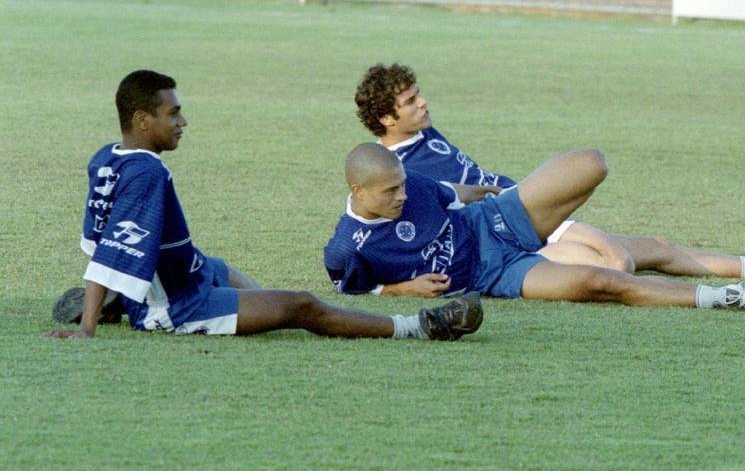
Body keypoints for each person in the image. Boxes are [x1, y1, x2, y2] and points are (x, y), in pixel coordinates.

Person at [48, 70, 482, 341]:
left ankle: (124, 304)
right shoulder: (148, 173)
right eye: (173, 113)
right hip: (175, 309)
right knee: (301, 306)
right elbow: (112, 253)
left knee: (218, 267)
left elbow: (96, 239)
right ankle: (417, 327)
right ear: (144, 121)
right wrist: (85, 328)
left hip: (186, 279)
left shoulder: (108, 158)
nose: (182, 122)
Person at [351, 62, 745, 291]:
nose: (424, 104)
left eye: (419, 95)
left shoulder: (420, 135)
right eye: (411, 102)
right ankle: (729, 293)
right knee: (617, 259)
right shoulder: (400, 174)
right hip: (510, 230)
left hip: (522, 215)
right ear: (388, 121)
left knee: (656, 246)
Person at [324, 143, 745, 311]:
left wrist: (504, 196)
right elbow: (351, 293)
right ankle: (736, 297)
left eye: (402, 185)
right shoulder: (347, 248)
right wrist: (402, 291)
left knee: (590, 163)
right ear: (358, 191)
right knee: (603, 281)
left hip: (495, 221)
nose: (401, 196)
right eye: (389, 193)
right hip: (495, 275)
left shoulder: (411, 183)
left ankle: (557, 229)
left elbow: (457, 195)